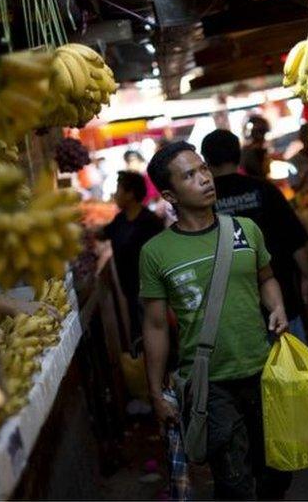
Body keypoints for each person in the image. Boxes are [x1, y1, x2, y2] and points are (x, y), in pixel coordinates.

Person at [139, 142, 291, 500]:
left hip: (261, 369)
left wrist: (278, 306)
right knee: (234, 480)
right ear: (168, 194)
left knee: (276, 473)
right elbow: (156, 326)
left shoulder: (245, 230)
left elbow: (266, 276)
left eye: (203, 169)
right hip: (208, 384)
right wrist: (156, 392)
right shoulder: (156, 253)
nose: (205, 178)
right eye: (189, 175)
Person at [200, 129, 308, 341]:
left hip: (232, 313)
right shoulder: (264, 190)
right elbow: (294, 238)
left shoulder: (202, 203)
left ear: (206, 161)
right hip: (282, 301)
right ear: (238, 155)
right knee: (294, 369)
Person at [97, 171, 164, 350]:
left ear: (130, 193)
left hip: (152, 293)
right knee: (140, 337)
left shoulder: (150, 222)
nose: (115, 194)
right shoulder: (120, 220)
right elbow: (103, 234)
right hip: (131, 292)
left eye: (119, 189)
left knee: (156, 338)